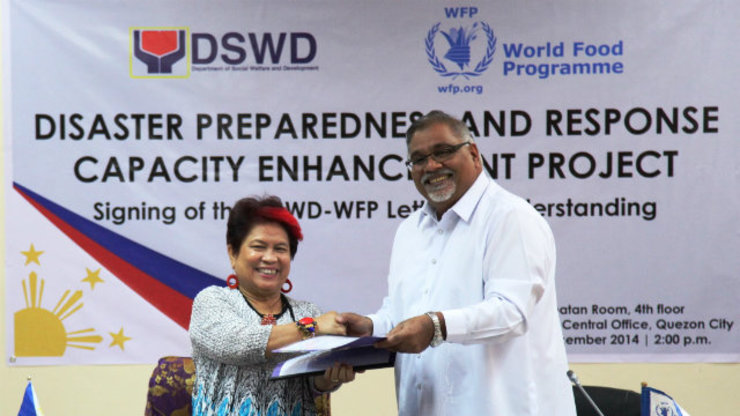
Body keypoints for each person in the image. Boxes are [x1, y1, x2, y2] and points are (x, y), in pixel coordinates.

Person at [338, 111, 577, 415]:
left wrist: (435, 325)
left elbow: (511, 312)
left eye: (444, 152)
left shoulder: (510, 218)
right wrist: (371, 327)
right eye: (419, 159)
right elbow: (404, 313)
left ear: (474, 153)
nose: (432, 166)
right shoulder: (410, 230)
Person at [190, 195, 355, 416]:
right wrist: (311, 327)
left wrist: (329, 377)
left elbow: (316, 383)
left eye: (280, 249)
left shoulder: (308, 312)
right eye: (259, 246)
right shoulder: (212, 301)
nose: (270, 258)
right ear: (233, 253)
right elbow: (239, 344)